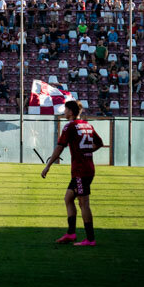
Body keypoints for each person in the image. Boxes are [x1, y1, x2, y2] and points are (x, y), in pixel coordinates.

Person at [41, 100, 104, 246]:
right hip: (85, 168)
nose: (64, 112)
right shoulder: (87, 125)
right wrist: (87, 151)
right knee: (68, 198)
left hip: (81, 170)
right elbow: (99, 143)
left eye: (65, 109)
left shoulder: (70, 126)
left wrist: (48, 165)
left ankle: (90, 239)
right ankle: (71, 233)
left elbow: (59, 148)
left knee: (83, 203)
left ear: (70, 112)